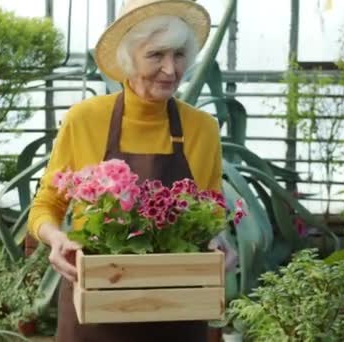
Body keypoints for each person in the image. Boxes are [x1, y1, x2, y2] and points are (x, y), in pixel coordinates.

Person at [27, 0, 222, 341]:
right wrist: (57, 239)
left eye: (178, 55)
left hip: (175, 306)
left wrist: (219, 242)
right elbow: (45, 205)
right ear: (130, 57)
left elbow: (212, 210)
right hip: (96, 304)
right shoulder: (85, 120)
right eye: (156, 55)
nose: (170, 69)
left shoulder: (202, 128)